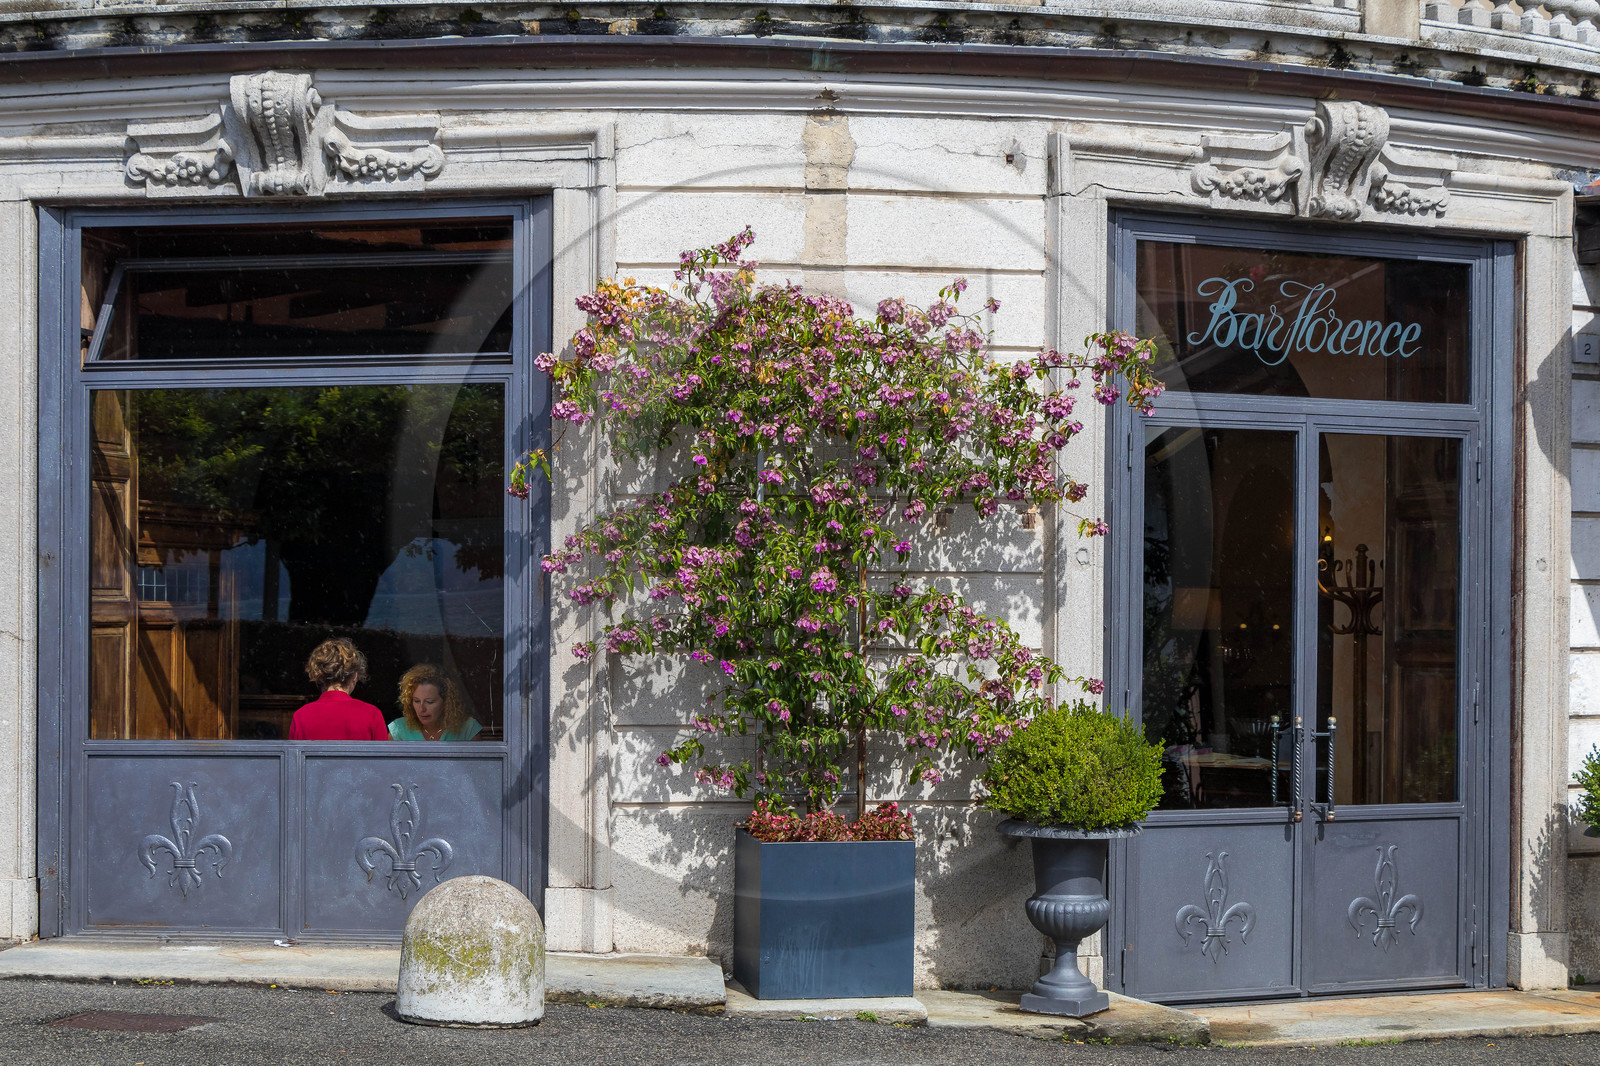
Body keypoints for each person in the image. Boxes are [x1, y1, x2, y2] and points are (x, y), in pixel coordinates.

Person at [287, 638, 389, 741]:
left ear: (319, 676)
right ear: (354, 676)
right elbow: (383, 756)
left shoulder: (301, 716)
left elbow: (293, 756)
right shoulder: (372, 715)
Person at [388, 664, 481, 742]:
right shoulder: (399, 730)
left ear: (446, 702)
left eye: (429, 702)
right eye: (416, 701)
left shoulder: (467, 729)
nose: (422, 709)